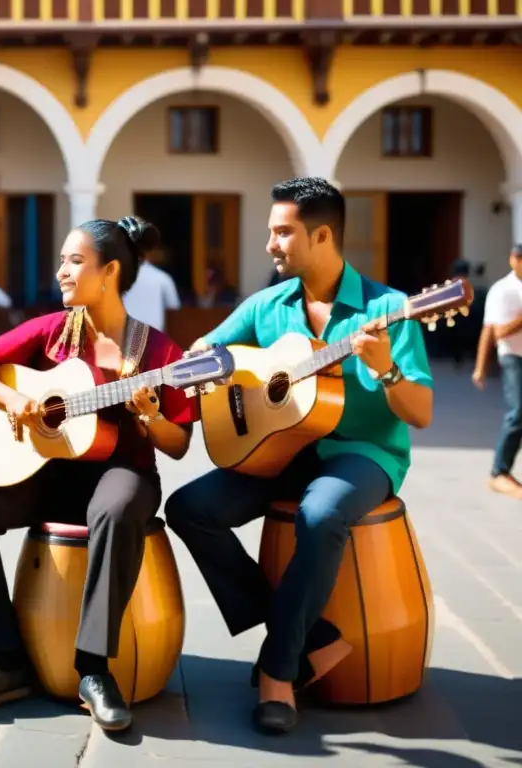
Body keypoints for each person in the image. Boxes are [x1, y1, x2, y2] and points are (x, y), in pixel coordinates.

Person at [165, 178, 433, 734]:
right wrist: (203, 371)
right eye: (271, 231)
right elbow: (209, 352)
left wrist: (384, 367)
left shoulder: (390, 309)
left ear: (323, 235)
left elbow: (420, 412)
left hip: (362, 453)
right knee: (189, 508)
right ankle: (310, 638)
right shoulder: (269, 303)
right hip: (281, 446)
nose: (271, 244)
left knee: (321, 513)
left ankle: (279, 672)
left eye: (282, 232)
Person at [0, 217, 198, 732]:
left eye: (74, 261)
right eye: (61, 260)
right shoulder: (55, 332)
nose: (61, 271)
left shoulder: (160, 354)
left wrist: (148, 414)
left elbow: (179, 444)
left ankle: (93, 668)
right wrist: (14, 398)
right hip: (50, 474)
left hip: (122, 472)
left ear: (110, 271)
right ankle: (3, 660)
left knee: (118, 505)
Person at [479, 244, 522, 499]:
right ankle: (499, 471)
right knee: (517, 413)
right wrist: (481, 367)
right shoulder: (502, 290)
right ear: (513, 260)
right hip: (513, 357)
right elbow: (495, 332)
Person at [122, 251, 181, 332]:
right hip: (155, 337)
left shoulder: (116, 278)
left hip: (125, 336)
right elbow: (174, 311)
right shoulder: (163, 278)